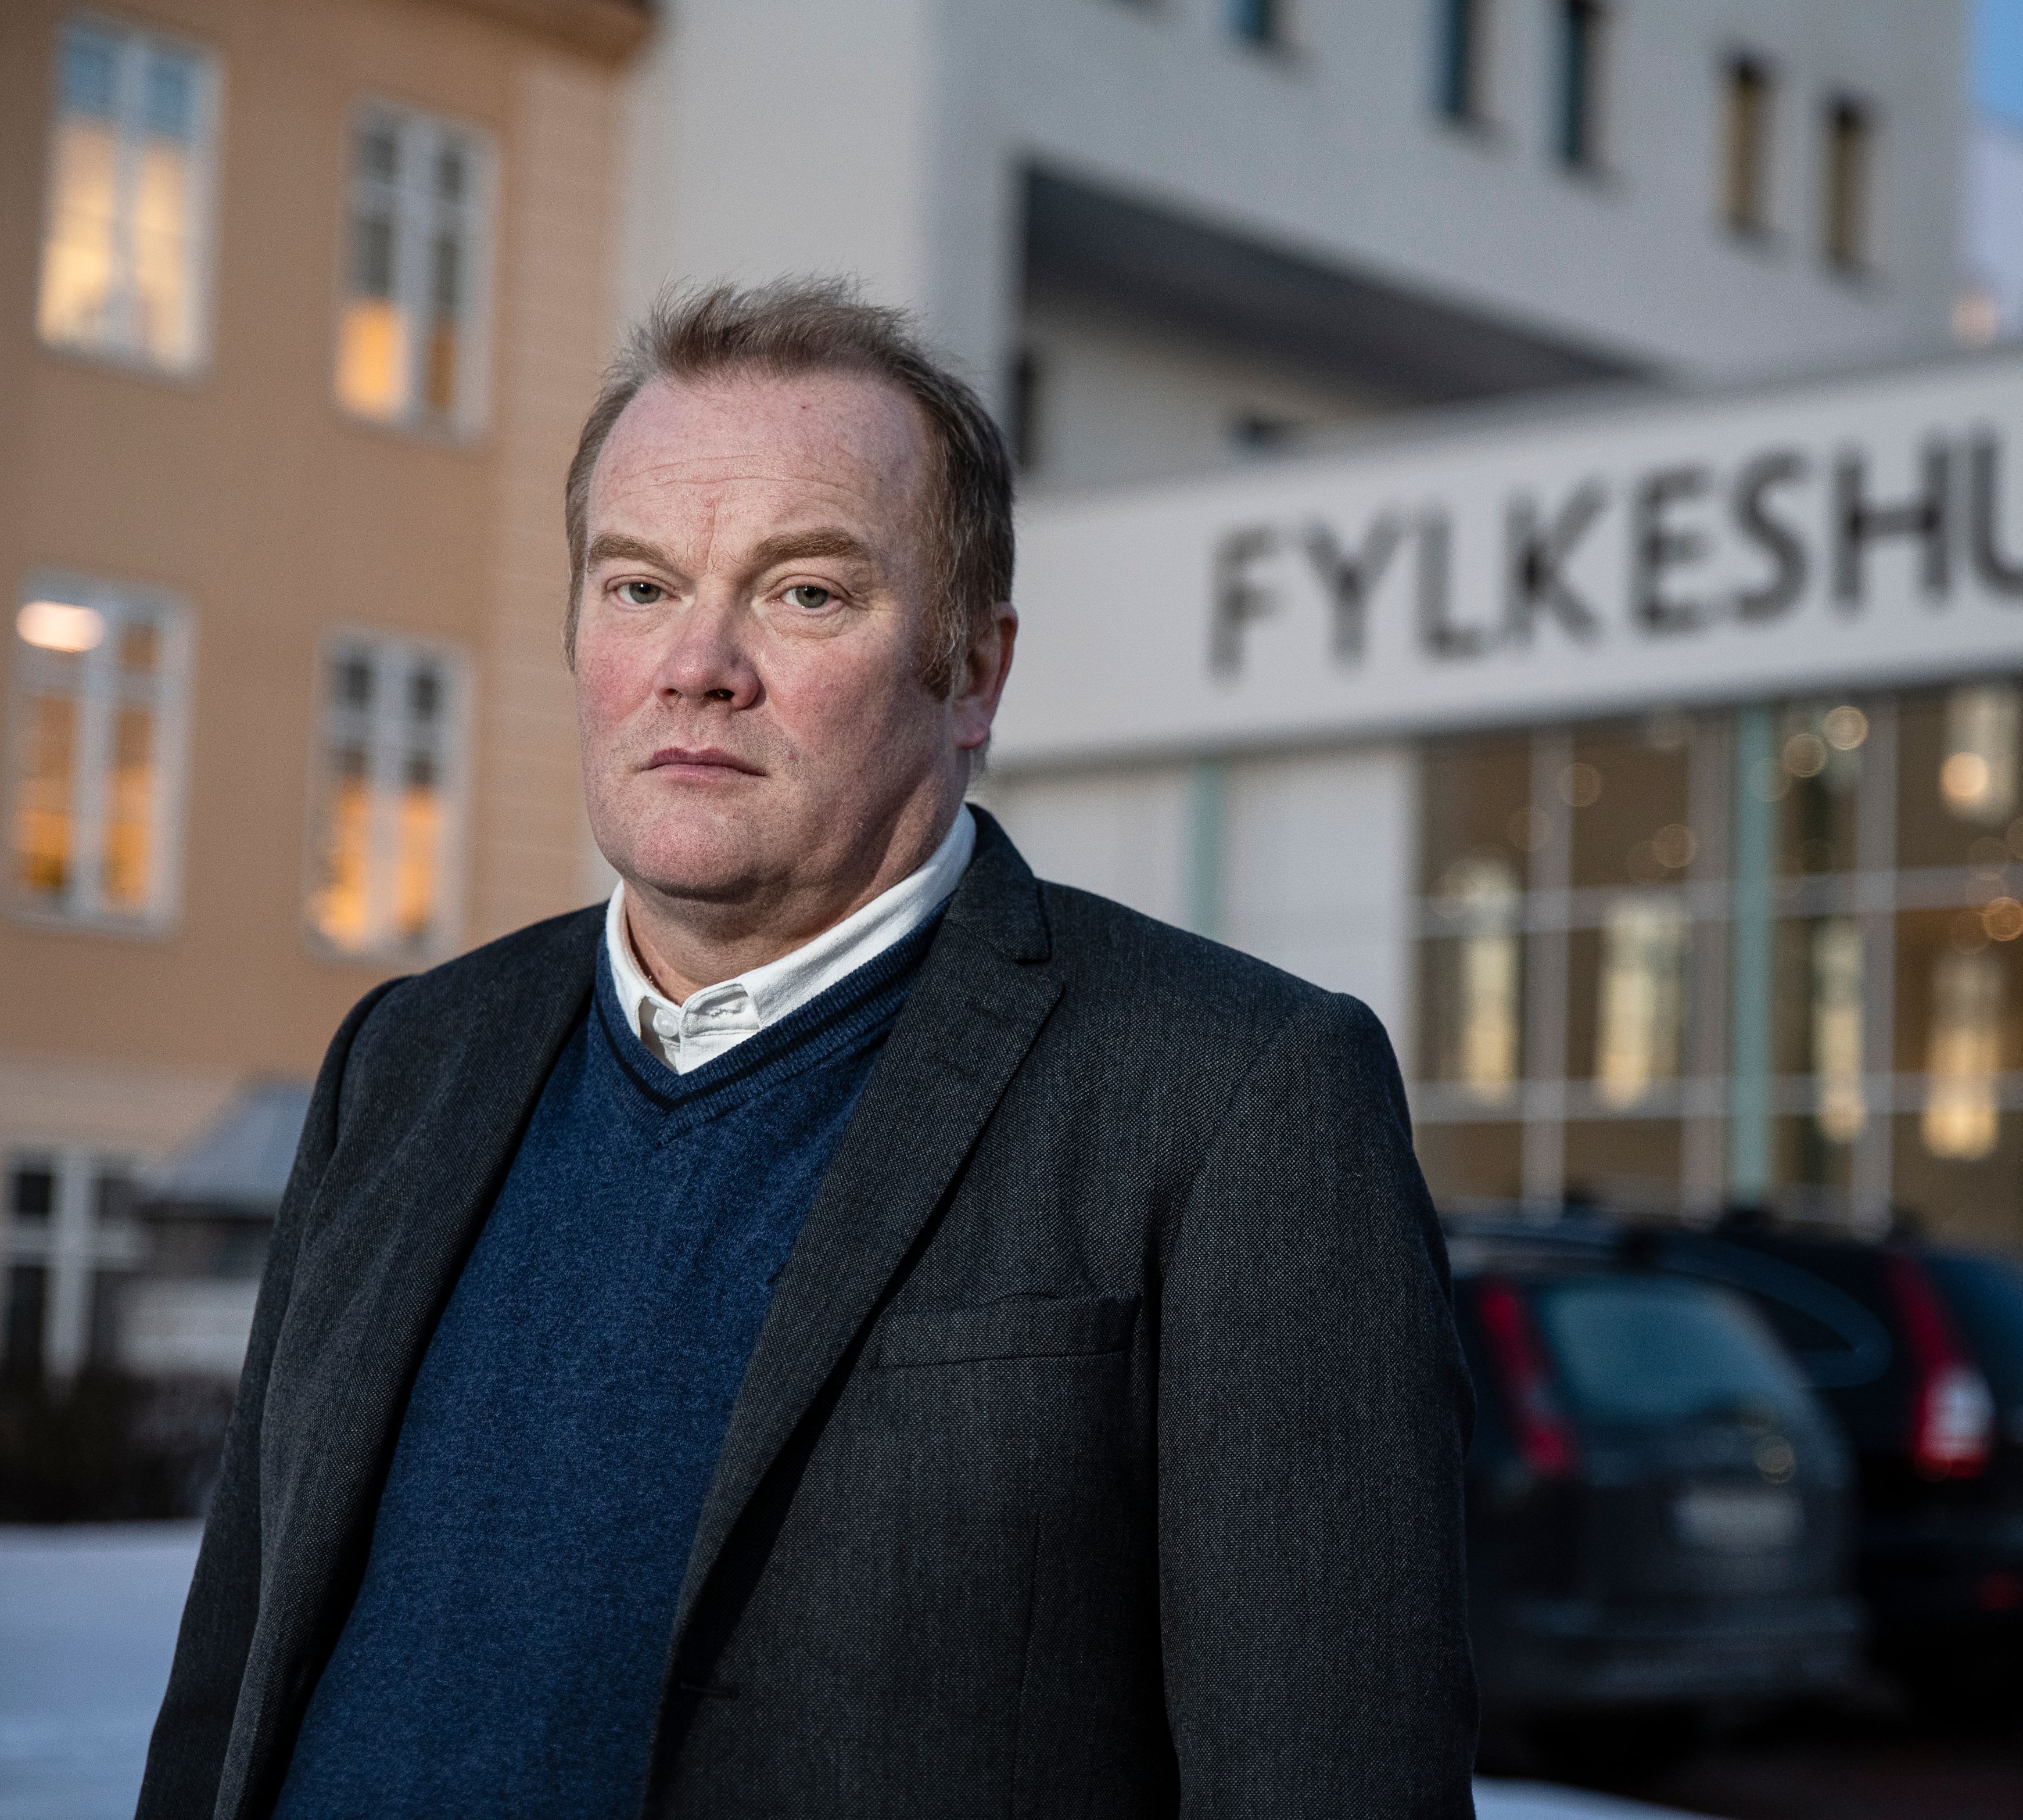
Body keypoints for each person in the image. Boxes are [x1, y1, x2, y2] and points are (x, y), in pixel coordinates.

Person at [136, 278, 1475, 1819]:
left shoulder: (1234, 1098)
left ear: (972, 674)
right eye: (640, 586)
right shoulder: (406, 1062)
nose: (696, 663)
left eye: (806, 594)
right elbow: (230, 1688)